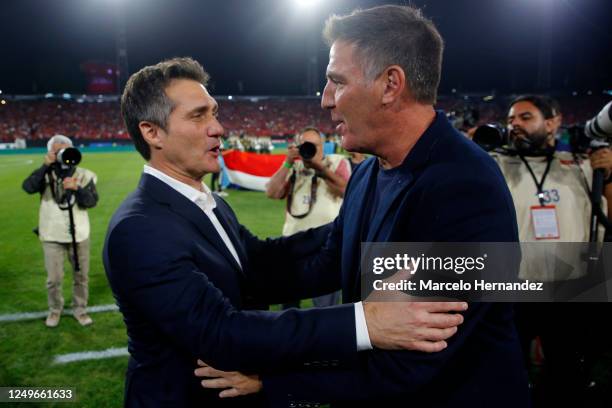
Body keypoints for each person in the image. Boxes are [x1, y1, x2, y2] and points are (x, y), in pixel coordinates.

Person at [196, 5, 529, 407]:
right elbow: (327, 258)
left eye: (337, 81)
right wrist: (227, 257)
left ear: (391, 85)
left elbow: (417, 360)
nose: (325, 100)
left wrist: (271, 377)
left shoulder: (466, 187)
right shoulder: (372, 170)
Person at [103, 57, 466, 407]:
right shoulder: (139, 229)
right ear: (152, 133)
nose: (218, 128)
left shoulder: (202, 199)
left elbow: (260, 262)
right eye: (199, 116)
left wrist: (351, 228)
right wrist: (365, 322)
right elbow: (219, 333)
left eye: (213, 112)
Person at [494, 95, 612, 406]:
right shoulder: (497, 165)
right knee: (505, 372)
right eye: (510, 120)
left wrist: (610, 174)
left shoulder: (580, 165)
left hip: (572, 289)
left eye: (525, 117)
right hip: (515, 289)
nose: (515, 124)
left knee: (566, 375)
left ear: (552, 122)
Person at [266, 127, 350, 307]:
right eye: (305, 146)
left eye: (314, 146)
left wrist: (320, 168)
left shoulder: (336, 162)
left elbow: (347, 190)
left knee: (327, 306)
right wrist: (288, 162)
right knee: (288, 304)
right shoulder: (294, 167)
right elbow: (272, 192)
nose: (310, 150)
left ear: (322, 147)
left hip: (326, 244)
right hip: (293, 243)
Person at [22, 135, 98, 327]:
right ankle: (55, 310)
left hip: (79, 234)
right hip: (51, 233)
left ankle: (80, 309)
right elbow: (28, 188)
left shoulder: (84, 174)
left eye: (66, 150)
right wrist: (45, 166)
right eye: (58, 151)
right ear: (50, 153)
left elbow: (91, 202)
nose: (63, 155)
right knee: (53, 279)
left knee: (81, 276)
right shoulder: (45, 174)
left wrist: (77, 189)